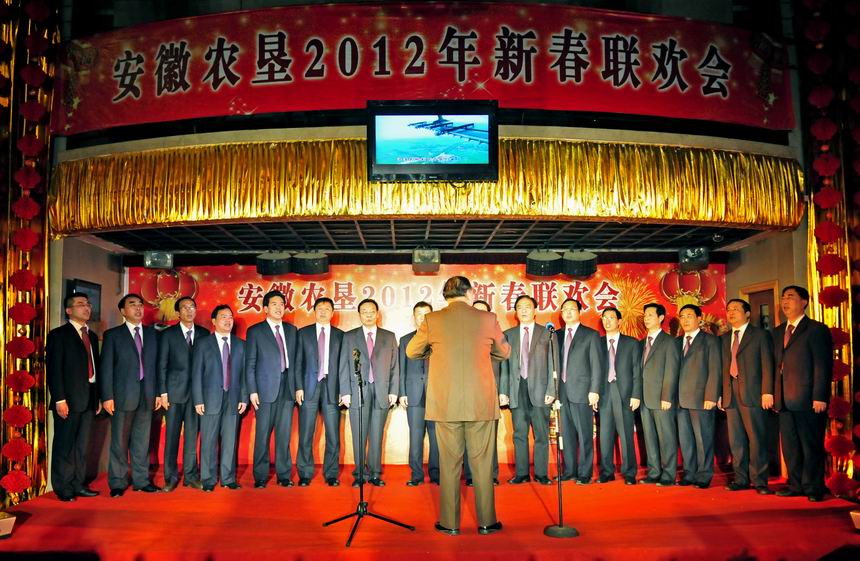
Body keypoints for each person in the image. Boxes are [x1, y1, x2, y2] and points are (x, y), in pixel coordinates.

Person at [407, 276, 510, 536]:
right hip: (480, 402)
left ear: (445, 295)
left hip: (446, 403)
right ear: (470, 293)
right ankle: (487, 522)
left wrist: (433, 351)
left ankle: (450, 523)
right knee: (483, 464)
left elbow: (412, 351)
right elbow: (504, 352)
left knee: (449, 465)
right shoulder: (487, 318)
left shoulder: (432, 320)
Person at [773, 285, 832, 502]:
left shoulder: (816, 329)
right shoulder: (778, 331)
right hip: (784, 400)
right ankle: (795, 484)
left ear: (804, 302)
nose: (785, 301)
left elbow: (822, 365)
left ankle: (814, 488)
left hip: (808, 399)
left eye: (790, 297)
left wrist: (820, 396)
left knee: (811, 445)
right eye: (783, 297)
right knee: (790, 447)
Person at [100, 293, 161, 497]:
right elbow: (106, 368)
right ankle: (117, 482)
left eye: (140, 304)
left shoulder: (153, 335)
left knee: (142, 442)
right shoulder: (113, 335)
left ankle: (141, 480)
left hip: (147, 395)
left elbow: (157, 367)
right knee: (119, 441)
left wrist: (158, 393)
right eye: (132, 304)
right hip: (122, 396)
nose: (138, 308)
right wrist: (107, 396)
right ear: (123, 311)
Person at [46, 292, 101, 502]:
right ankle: (63, 487)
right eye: (80, 304)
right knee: (65, 445)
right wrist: (59, 399)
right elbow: (54, 370)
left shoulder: (92, 336)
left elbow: (95, 370)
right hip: (68, 400)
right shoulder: (58, 335)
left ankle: (78, 484)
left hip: (88, 400)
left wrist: (97, 398)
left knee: (82, 446)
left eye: (88, 304)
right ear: (69, 310)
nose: (86, 307)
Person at [339, 298, 399, 487]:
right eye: (364, 311)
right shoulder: (350, 337)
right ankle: (359, 474)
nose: (368, 315)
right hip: (357, 391)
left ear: (377, 314)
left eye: (372, 311)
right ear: (359, 315)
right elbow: (343, 365)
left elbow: (395, 366)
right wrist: (345, 392)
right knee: (359, 434)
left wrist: (394, 391)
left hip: (382, 391)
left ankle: (374, 473)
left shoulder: (389, 336)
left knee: (376, 434)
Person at [499, 295, 555, 485]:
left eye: (527, 307)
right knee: (519, 434)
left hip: (540, 391)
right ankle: (521, 473)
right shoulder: (508, 335)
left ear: (534, 310)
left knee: (541, 435)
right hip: (517, 390)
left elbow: (553, 363)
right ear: (516, 312)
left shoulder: (547, 333)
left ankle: (541, 474)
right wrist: (503, 391)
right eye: (520, 307)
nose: (523, 310)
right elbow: (505, 366)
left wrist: (552, 390)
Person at [721, 298, 775, 495]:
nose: (731, 312)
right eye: (729, 309)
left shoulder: (760, 335)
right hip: (730, 394)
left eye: (736, 309)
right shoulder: (724, 338)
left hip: (753, 393)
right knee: (736, 441)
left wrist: (767, 391)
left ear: (747, 314)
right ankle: (740, 479)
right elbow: (722, 369)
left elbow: (768, 364)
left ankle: (760, 481)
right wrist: (720, 394)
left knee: (756, 439)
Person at [245, 290, 298, 488]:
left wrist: (297, 388)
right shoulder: (255, 331)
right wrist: (252, 391)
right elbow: (250, 364)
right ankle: (260, 476)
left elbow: (296, 362)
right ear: (266, 308)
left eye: (282, 304)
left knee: (284, 435)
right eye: (274, 304)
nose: (279, 307)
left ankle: (284, 475)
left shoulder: (292, 330)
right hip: (264, 390)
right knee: (263, 435)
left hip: (287, 388)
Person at [192, 304, 247, 492]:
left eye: (230, 317)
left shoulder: (241, 344)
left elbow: (244, 374)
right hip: (209, 400)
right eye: (223, 317)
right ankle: (208, 479)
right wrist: (198, 399)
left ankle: (228, 478)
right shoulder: (203, 344)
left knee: (230, 441)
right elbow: (196, 373)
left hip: (233, 399)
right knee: (208, 440)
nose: (228, 320)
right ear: (214, 321)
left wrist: (244, 397)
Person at [157, 296, 209, 491]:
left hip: (196, 396)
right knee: (172, 437)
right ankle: (170, 478)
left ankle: (191, 476)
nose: (189, 310)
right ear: (178, 313)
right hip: (173, 394)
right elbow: (161, 365)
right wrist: (163, 392)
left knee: (192, 437)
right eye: (185, 308)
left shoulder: (204, 333)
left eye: (192, 307)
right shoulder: (168, 334)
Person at [294, 297, 346, 487]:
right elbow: (298, 363)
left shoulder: (341, 335)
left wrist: (343, 390)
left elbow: (344, 366)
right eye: (320, 308)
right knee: (306, 432)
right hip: (308, 387)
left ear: (332, 313)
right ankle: (305, 473)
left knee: (333, 434)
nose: (323, 311)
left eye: (327, 308)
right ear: (314, 311)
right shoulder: (303, 333)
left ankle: (331, 473)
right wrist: (298, 387)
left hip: (333, 388)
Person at [555, 298, 601, 484]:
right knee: (566, 434)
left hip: (583, 391)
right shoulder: (556, 335)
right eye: (564, 309)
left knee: (584, 434)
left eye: (572, 309)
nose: (567, 312)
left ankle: (584, 473)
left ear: (579, 312)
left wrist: (594, 390)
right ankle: (570, 470)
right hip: (562, 392)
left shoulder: (590, 335)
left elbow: (597, 365)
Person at [676, 304, 721, 489]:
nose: (685, 320)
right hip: (680, 400)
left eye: (689, 316)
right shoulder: (676, 342)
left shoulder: (710, 341)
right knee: (686, 439)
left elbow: (715, 370)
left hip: (701, 398)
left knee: (703, 439)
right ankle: (689, 473)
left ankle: (704, 475)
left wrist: (711, 396)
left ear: (699, 319)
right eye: (682, 316)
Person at [596, 307, 642, 485]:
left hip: (625, 393)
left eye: (611, 318)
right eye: (604, 318)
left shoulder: (631, 343)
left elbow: (637, 371)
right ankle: (607, 471)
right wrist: (594, 393)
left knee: (626, 435)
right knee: (605, 435)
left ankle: (629, 472)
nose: (607, 321)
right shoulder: (597, 343)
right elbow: (593, 370)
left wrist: (636, 394)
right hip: (604, 392)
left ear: (619, 321)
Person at [639, 303, 680, 486]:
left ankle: (668, 474)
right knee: (649, 438)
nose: (646, 318)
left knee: (666, 437)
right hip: (645, 399)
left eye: (650, 315)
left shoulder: (669, 342)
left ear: (661, 318)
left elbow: (671, 371)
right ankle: (654, 472)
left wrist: (667, 396)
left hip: (662, 399)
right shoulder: (642, 343)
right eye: (645, 315)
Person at [399, 301, 440, 486]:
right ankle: (416, 475)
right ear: (413, 317)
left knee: (436, 438)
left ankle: (436, 474)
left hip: (437, 395)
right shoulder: (405, 340)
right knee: (415, 437)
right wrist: (402, 393)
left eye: (426, 314)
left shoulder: (441, 338)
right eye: (419, 314)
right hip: (413, 394)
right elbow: (401, 368)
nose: (423, 318)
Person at [464, 299, 501, 486]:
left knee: (489, 438)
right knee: (468, 437)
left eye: (483, 312)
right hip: (467, 396)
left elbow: (505, 366)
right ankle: (471, 475)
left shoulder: (497, 336)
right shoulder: (462, 337)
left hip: (490, 395)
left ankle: (491, 475)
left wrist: (503, 391)